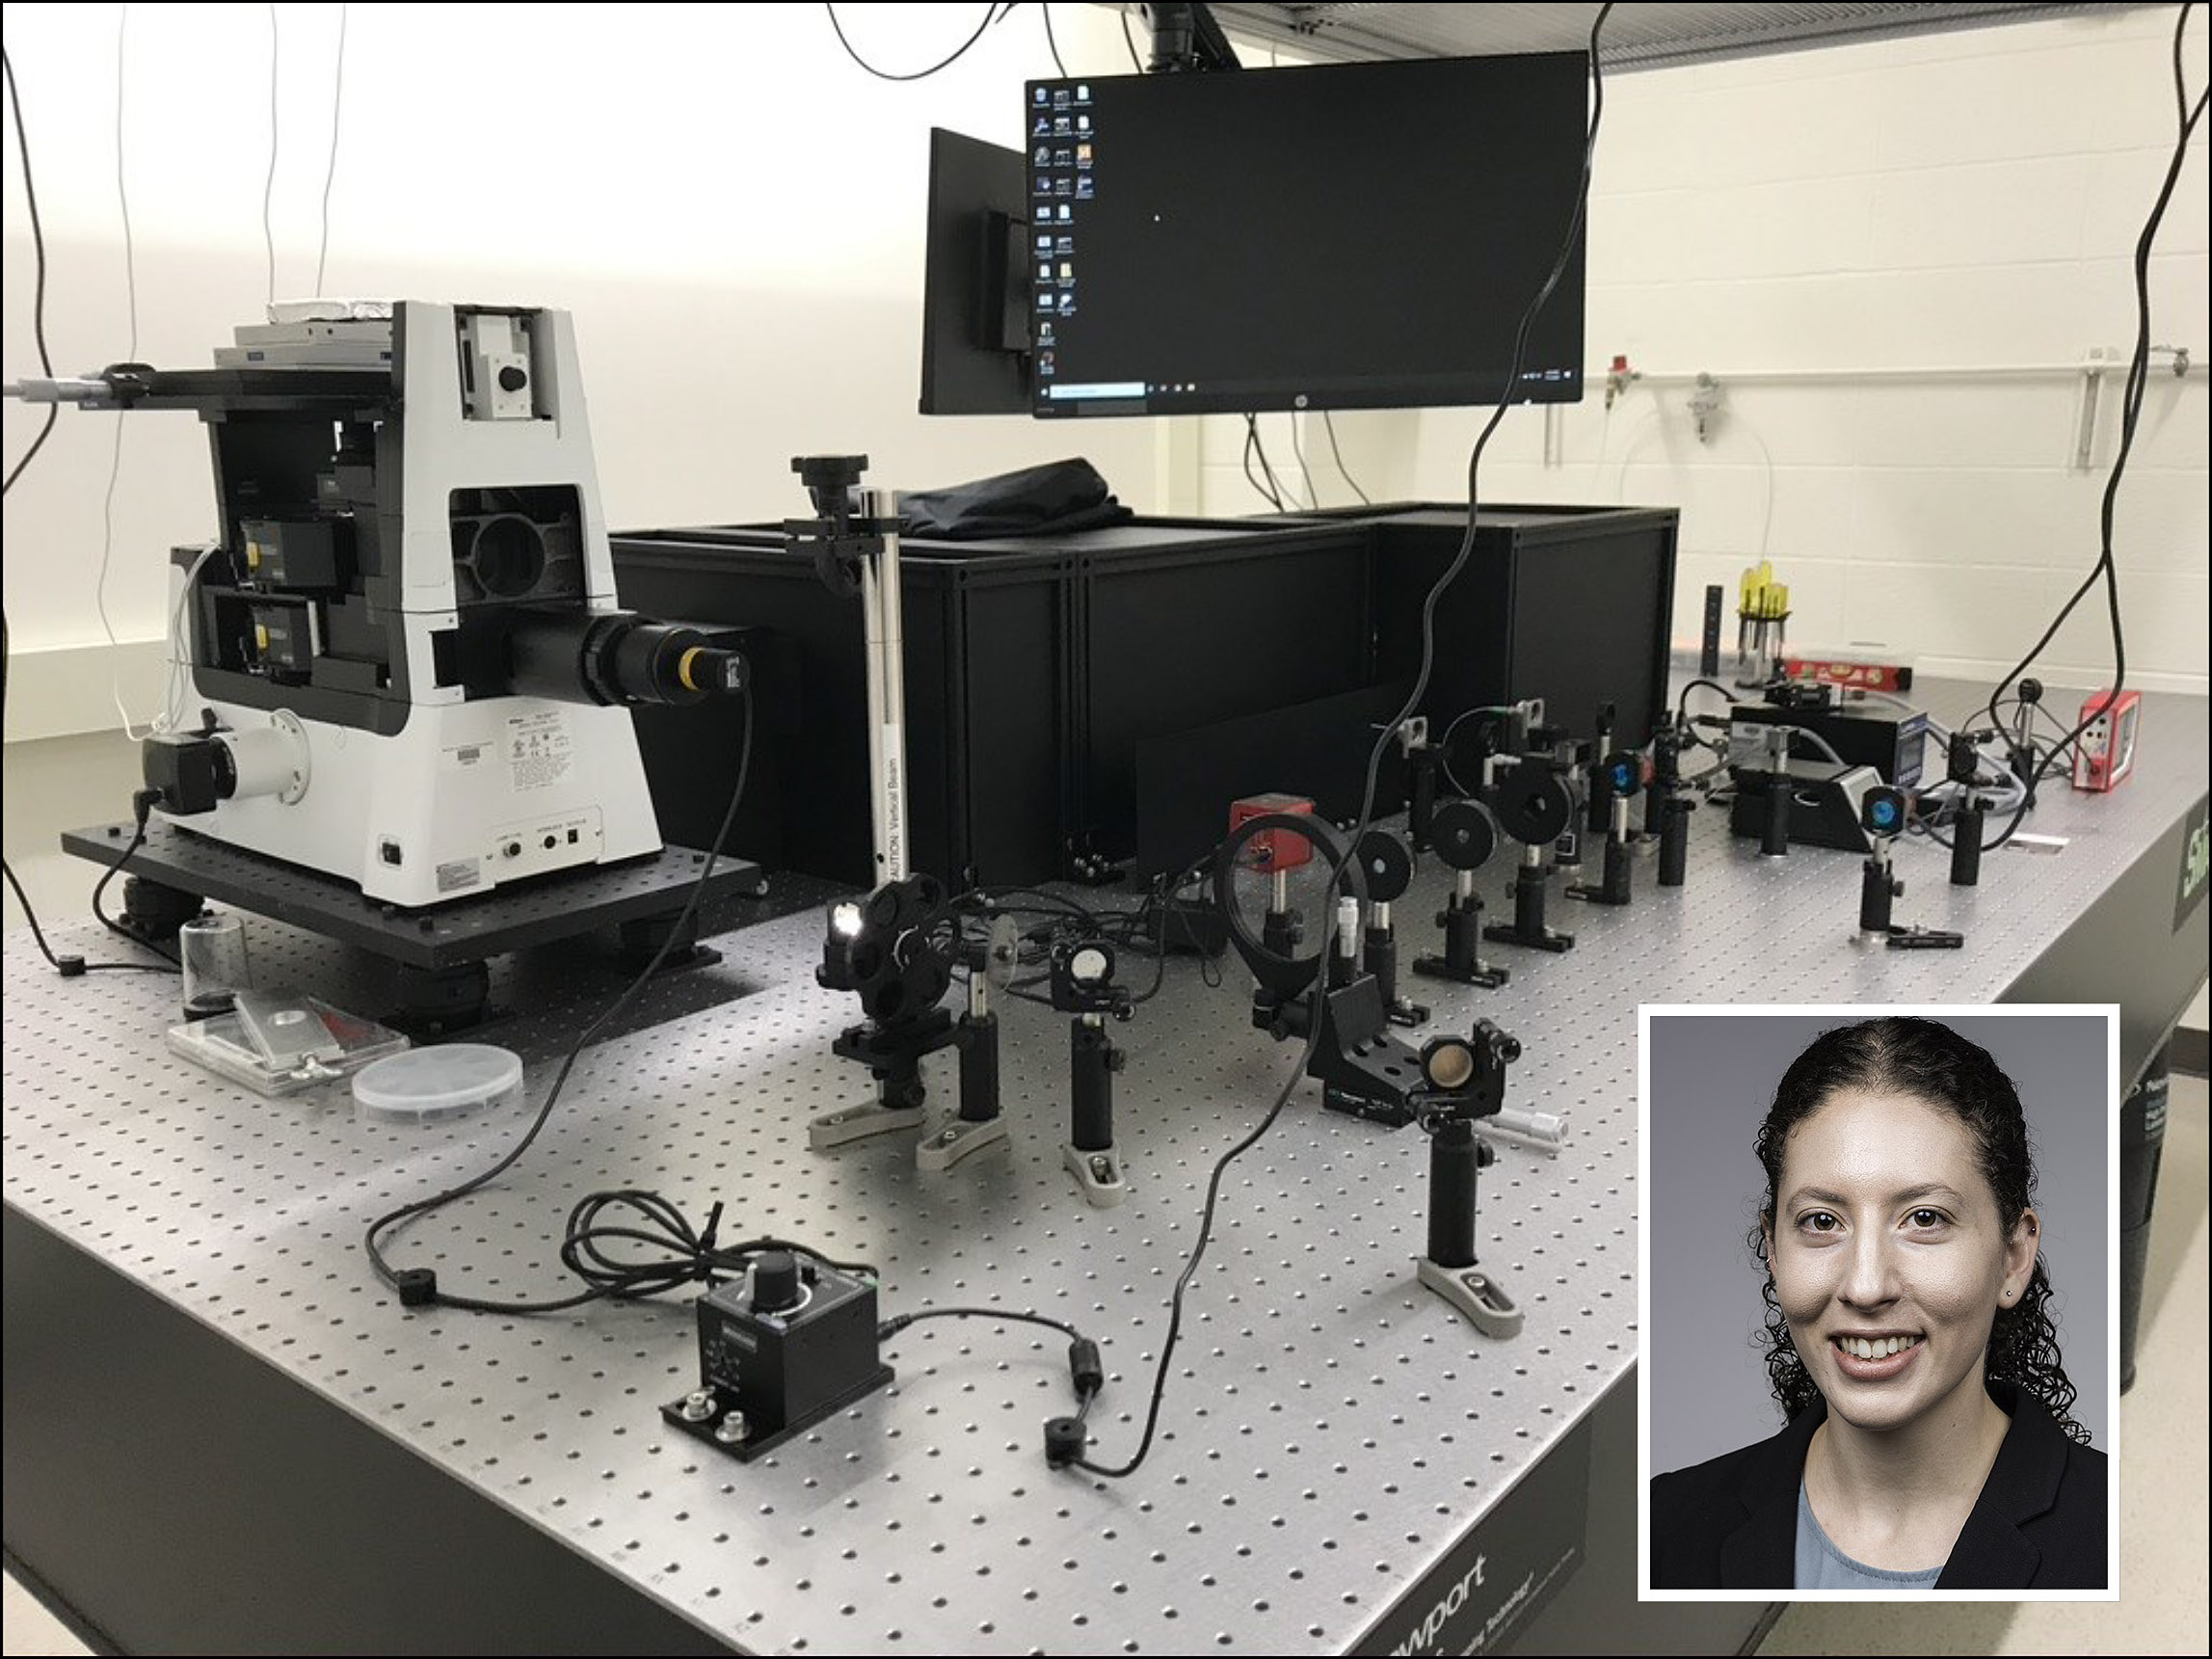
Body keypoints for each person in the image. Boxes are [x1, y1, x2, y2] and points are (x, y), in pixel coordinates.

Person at [1650, 1016, 2107, 1590]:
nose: (1866, 1287)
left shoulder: (2121, 1540)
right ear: (1772, 1248)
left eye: (1924, 1219)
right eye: (1822, 1222)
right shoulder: (1665, 1527)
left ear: (2013, 1256)